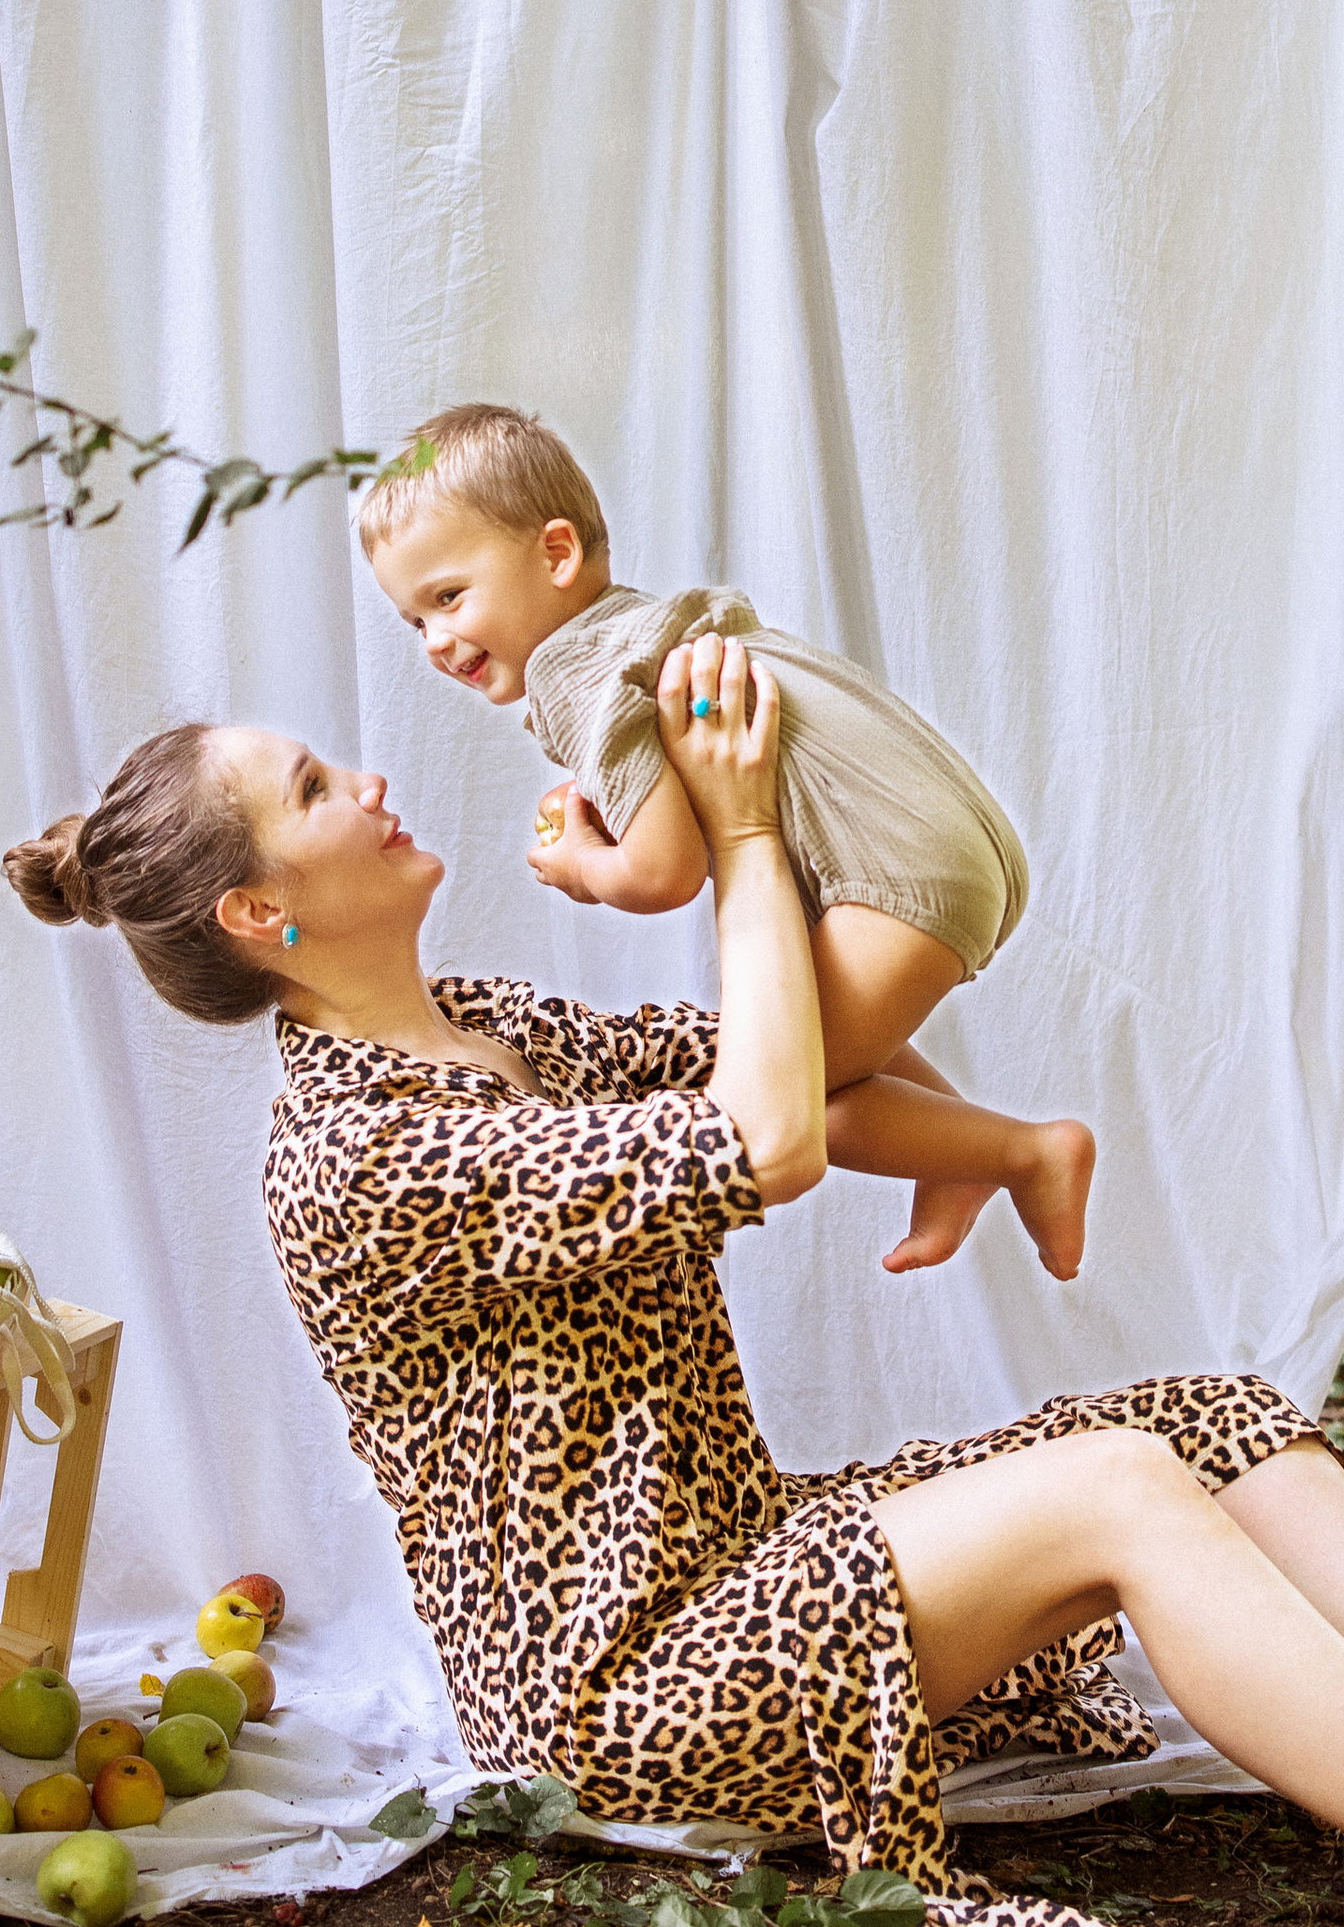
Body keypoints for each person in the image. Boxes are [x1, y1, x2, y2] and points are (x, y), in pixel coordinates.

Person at [4, 638, 1344, 1927]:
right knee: (1119, 1492)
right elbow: (762, 1133)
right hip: (628, 1679)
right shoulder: (362, 1158)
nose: (376, 780)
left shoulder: (485, 1021)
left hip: (733, 1562)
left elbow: (797, 1070)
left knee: (1215, 1417)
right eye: (324, 786)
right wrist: (745, 838)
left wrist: (994, 1133)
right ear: (264, 909)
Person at [357, 399, 1088, 1279]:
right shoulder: (642, 627)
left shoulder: (574, 673)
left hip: (899, 875)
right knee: (806, 1019)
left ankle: (1022, 1152)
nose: (436, 640)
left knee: (794, 1093)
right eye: (414, 622)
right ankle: (956, 1155)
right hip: (947, 840)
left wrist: (582, 866)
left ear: (556, 554)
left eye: (448, 597)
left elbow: (667, 872)